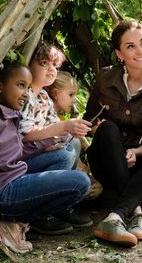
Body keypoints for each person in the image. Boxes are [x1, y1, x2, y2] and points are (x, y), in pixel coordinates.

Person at [0, 62, 90, 254]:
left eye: (28, 88)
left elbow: (13, 152)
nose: (25, 93)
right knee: (80, 182)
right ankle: (10, 219)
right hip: (1, 193)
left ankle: (15, 220)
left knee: (64, 155)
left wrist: (47, 143)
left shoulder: (8, 114)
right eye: (21, 85)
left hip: (14, 178)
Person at [84, 20, 142, 247]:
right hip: (106, 160)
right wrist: (100, 129)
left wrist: (136, 151)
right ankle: (135, 211)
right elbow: (90, 120)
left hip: (139, 162)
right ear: (119, 53)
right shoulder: (105, 79)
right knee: (108, 128)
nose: (141, 50)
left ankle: (116, 217)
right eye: (131, 46)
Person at [19, 44, 93, 234]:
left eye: (55, 66)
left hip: (39, 154)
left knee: (73, 143)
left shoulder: (43, 96)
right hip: (23, 162)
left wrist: (73, 131)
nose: (51, 70)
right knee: (63, 157)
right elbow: (25, 134)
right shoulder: (25, 95)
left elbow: (55, 129)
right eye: (44, 63)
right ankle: (39, 213)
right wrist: (60, 129)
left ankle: (57, 206)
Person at [45, 71, 103, 200]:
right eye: (71, 94)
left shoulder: (56, 116)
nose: (75, 100)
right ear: (55, 94)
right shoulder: (45, 115)